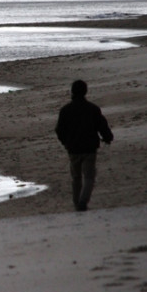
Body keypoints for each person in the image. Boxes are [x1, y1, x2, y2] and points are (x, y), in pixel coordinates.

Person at [55, 80, 114, 211]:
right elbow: (102, 126)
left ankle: (77, 203)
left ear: (72, 92)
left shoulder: (65, 110)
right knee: (89, 177)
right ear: (85, 92)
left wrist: (65, 142)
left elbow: (59, 130)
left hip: (73, 149)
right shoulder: (93, 109)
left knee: (76, 177)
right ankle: (82, 202)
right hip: (89, 148)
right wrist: (107, 138)